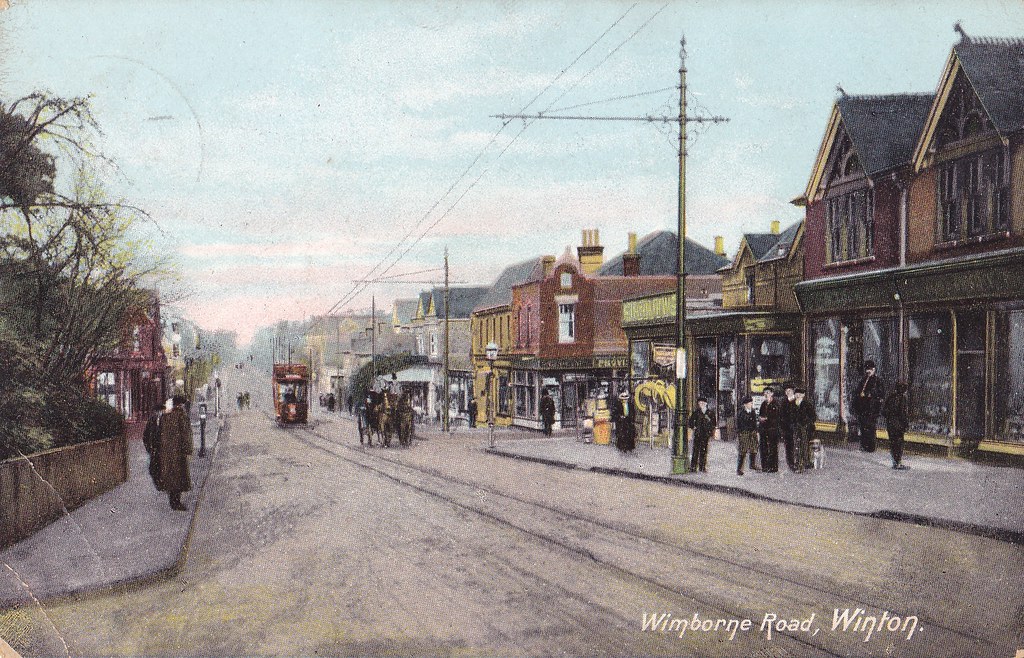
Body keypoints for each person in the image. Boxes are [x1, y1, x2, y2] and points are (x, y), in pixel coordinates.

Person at [157, 395, 193, 511]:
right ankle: (176, 502)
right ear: (180, 405)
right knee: (179, 477)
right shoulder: (181, 415)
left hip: (166, 452)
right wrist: (188, 449)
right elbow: (186, 433)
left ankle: (172, 501)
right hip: (178, 451)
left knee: (170, 476)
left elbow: (159, 433)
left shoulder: (164, 416)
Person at [854, 360, 883, 452]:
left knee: (870, 428)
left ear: (874, 369)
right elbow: (858, 390)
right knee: (863, 428)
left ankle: (870, 447)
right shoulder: (863, 380)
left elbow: (880, 393)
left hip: (872, 409)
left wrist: (868, 394)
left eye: (870, 369)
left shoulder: (877, 380)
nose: (868, 371)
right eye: (867, 369)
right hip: (863, 408)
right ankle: (863, 446)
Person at [688, 397, 718, 472]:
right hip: (698, 434)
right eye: (700, 403)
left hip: (705, 434)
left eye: (702, 403)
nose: (701, 404)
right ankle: (693, 467)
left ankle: (702, 467)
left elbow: (714, 423)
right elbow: (690, 422)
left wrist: (710, 431)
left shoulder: (710, 413)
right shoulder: (696, 412)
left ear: (706, 404)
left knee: (703, 451)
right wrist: (693, 427)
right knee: (695, 451)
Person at [884, 382, 910, 470]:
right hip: (898, 426)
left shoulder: (890, 398)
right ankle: (898, 463)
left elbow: (884, 411)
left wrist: (890, 417)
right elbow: (903, 414)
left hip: (890, 425)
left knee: (893, 444)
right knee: (899, 444)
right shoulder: (903, 399)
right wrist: (906, 424)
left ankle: (895, 462)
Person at [758, 388, 782, 473]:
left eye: (767, 393)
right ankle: (765, 466)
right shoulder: (763, 404)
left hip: (772, 429)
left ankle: (773, 467)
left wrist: (767, 419)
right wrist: (761, 418)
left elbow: (778, 418)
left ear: (772, 393)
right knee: (763, 447)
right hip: (764, 429)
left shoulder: (776, 404)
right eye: (764, 393)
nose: (766, 394)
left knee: (772, 448)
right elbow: (760, 414)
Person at [793, 387, 816, 472]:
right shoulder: (792, 404)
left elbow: (813, 417)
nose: (798, 395)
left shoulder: (807, 404)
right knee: (797, 446)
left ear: (803, 395)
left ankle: (804, 463)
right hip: (796, 428)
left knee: (804, 445)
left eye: (800, 393)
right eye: (796, 393)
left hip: (805, 428)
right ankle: (799, 463)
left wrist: (807, 424)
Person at [142, 402, 164, 488]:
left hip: (162, 449)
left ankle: (161, 483)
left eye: (160, 411)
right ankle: (158, 483)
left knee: (162, 467)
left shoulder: (165, 420)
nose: (159, 413)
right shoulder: (151, 420)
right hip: (154, 449)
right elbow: (145, 435)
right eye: (157, 411)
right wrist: (148, 448)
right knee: (153, 469)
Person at [736, 396, 758, 475]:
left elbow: (754, 422)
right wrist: (740, 433)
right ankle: (739, 469)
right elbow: (739, 424)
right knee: (743, 451)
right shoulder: (741, 413)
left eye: (751, 403)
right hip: (744, 433)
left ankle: (752, 464)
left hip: (752, 433)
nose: (751, 405)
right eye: (749, 403)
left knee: (754, 448)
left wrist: (755, 431)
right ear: (745, 404)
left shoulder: (752, 411)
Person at [781, 383, 797, 471]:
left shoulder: (797, 400)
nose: (788, 392)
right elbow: (781, 416)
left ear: (793, 391)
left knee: (798, 445)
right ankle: (791, 463)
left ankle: (799, 462)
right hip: (787, 428)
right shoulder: (784, 402)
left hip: (796, 427)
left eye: (789, 391)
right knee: (789, 447)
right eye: (786, 391)